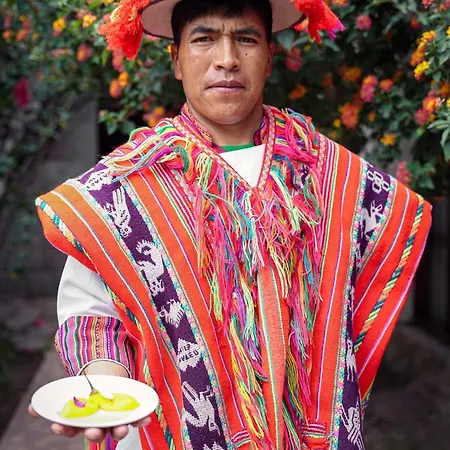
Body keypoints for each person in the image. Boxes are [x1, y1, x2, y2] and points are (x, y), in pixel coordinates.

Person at [29, 0, 432, 449]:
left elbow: (382, 242)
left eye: (246, 38)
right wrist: (105, 389)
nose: (227, 58)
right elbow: (92, 313)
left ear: (269, 56)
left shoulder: (327, 173)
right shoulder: (126, 186)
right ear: (176, 60)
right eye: (204, 39)